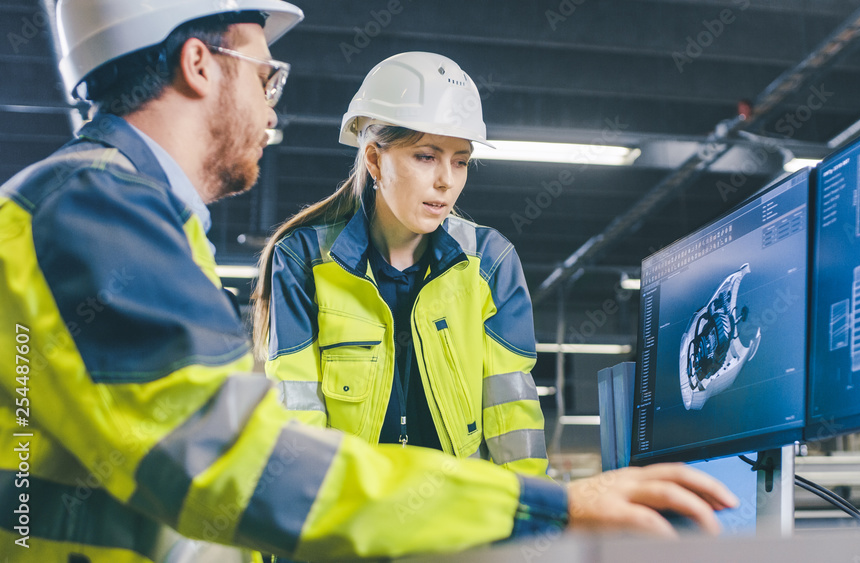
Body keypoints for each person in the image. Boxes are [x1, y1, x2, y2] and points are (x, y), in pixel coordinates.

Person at [0, 1, 738, 562]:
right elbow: (239, 463)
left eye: (460, 159)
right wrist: (551, 510)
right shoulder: (95, 209)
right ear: (199, 64)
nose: (271, 105)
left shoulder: (119, 208)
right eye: (267, 76)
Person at [251, 52, 548, 478]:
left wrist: (535, 522)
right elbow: (298, 420)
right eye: (426, 156)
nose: (446, 180)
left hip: (462, 528)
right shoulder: (302, 264)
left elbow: (512, 417)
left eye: (460, 160)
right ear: (374, 160)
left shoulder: (490, 264)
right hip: (349, 526)